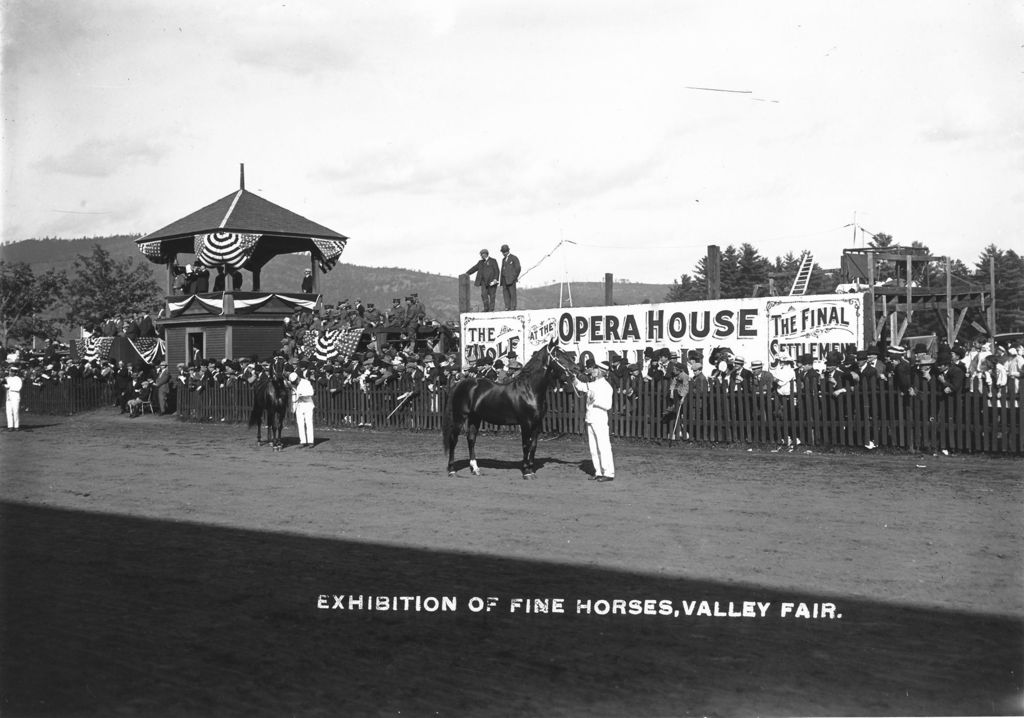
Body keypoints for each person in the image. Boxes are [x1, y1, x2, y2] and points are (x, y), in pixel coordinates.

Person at [572, 358, 616, 482]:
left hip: (600, 418)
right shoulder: (593, 384)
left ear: (601, 371)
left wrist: (595, 400)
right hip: (590, 418)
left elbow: (608, 405)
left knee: (603, 446)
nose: (593, 370)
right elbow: (580, 386)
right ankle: (598, 471)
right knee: (593, 448)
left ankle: (608, 473)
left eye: (596, 368)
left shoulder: (606, 387)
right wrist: (574, 378)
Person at [289, 370, 316, 448]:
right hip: (299, 405)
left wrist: (302, 395)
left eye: (295, 382)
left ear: (298, 378)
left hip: (308, 404)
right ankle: (303, 441)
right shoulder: (293, 385)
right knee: (300, 423)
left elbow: (311, 393)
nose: (294, 383)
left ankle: (311, 441)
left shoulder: (306, 382)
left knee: (308, 423)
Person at [499, 244, 521, 310]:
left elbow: (518, 268)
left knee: (512, 293)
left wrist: (514, 277)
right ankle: (507, 307)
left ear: (508, 251)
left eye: (505, 251)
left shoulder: (514, 258)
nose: (504, 253)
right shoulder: (503, 259)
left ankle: (513, 307)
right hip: (504, 279)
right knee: (505, 294)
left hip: (511, 280)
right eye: (503, 252)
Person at [4, 365, 23, 431]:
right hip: (9, 396)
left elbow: (18, 388)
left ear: (15, 372)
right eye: (10, 371)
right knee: (8, 411)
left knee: (15, 411)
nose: (11, 373)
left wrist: (9, 387)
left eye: (12, 372)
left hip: (15, 395)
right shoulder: (8, 378)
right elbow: (5, 385)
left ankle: (16, 426)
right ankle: (10, 426)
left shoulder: (18, 379)